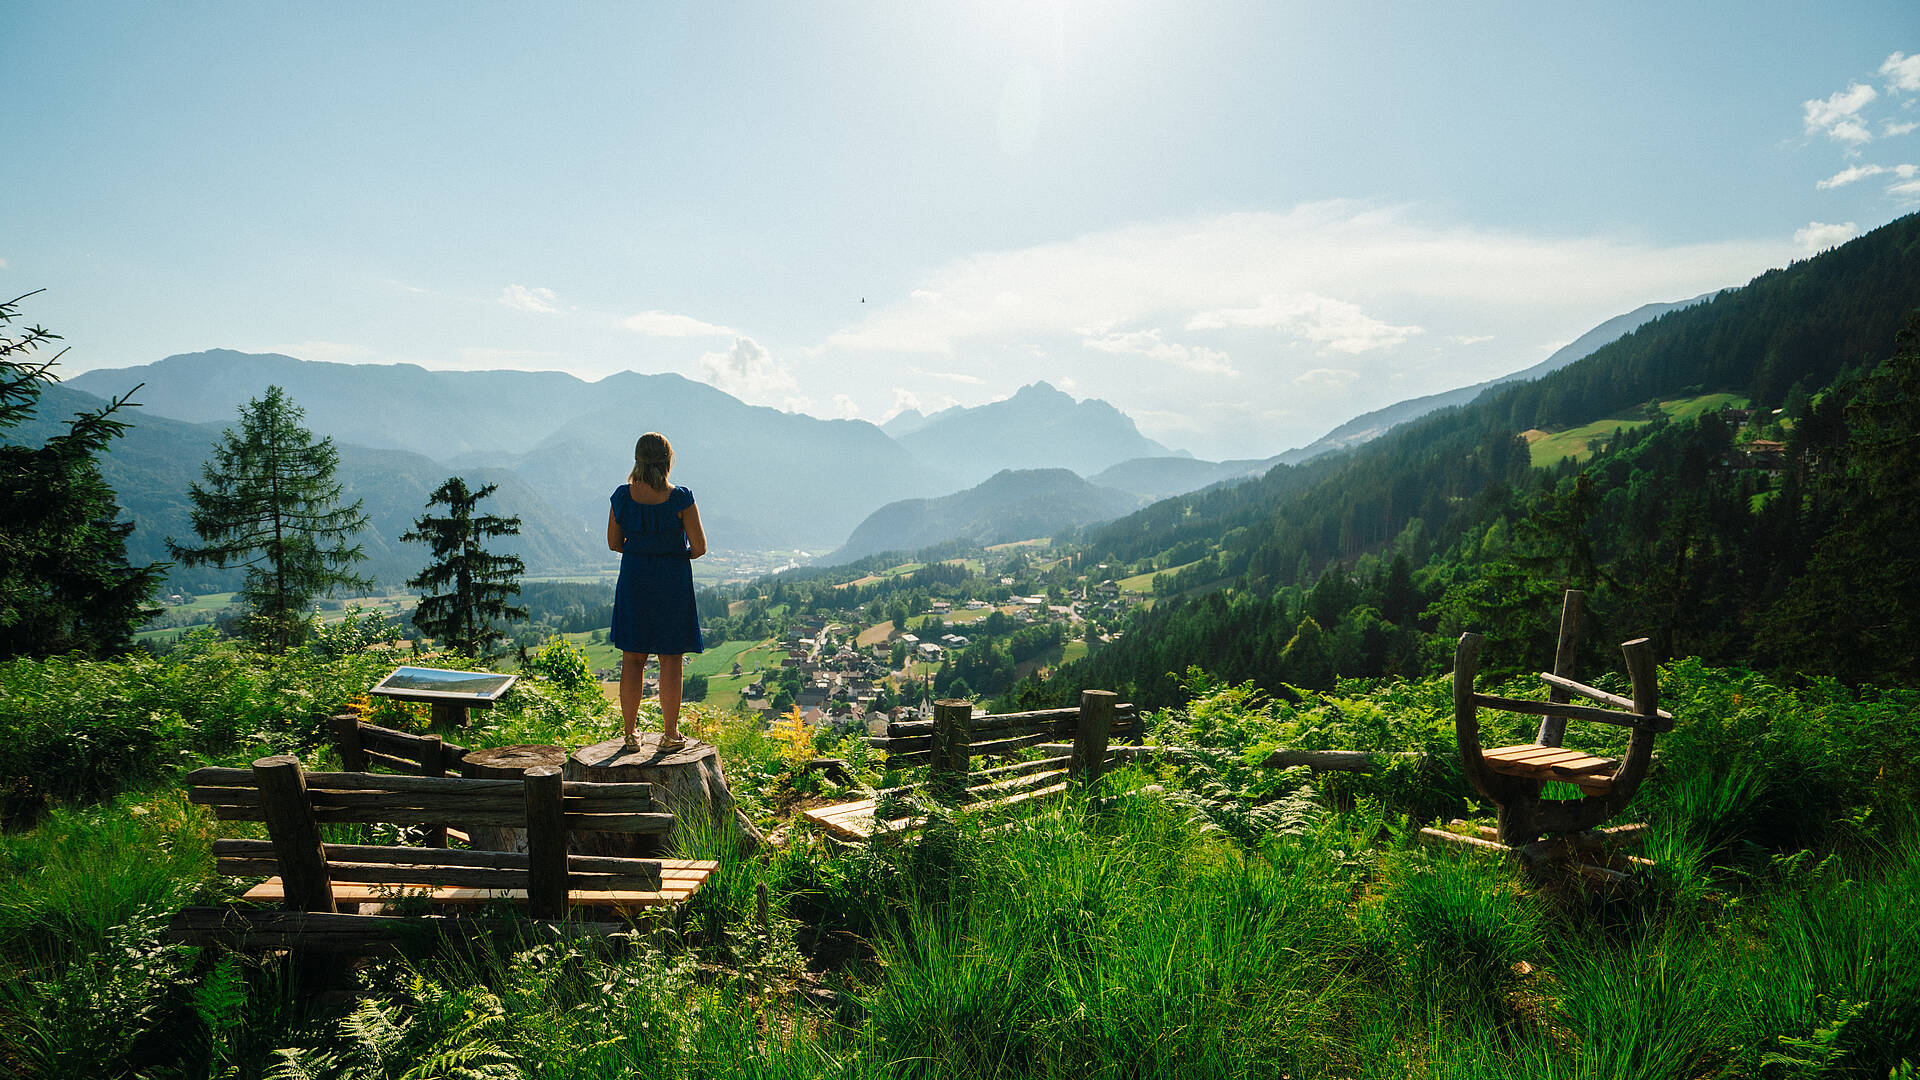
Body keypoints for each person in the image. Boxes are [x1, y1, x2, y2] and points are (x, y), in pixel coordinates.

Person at [607, 432, 706, 751]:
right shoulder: (681, 498)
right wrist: (673, 555)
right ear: (668, 460)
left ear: (637, 459)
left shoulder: (621, 497)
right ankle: (670, 734)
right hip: (672, 581)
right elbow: (700, 547)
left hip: (635, 578)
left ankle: (630, 734)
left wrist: (642, 551)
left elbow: (614, 542)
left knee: (632, 658)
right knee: (670, 659)